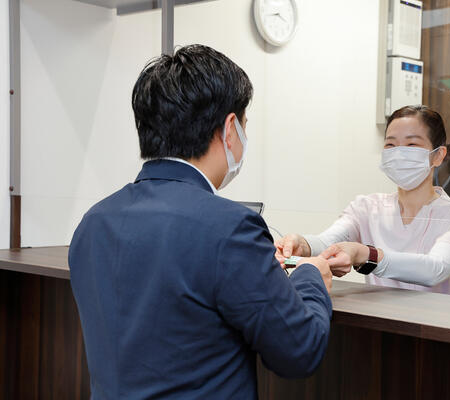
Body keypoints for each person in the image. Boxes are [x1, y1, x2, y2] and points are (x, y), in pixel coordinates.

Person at [69, 45, 333, 400]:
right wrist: (310, 275)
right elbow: (299, 352)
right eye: (244, 124)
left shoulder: (93, 222)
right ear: (229, 128)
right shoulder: (230, 227)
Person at [276, 105, 450, 296]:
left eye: (412, 144)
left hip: (435, 326)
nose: (399, 154)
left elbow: (435, 269)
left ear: (438, 156)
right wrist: (301, 244)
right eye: (390, 145)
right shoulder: (367, 207)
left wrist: (365, 254)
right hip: (380, 323)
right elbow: (327, 242)